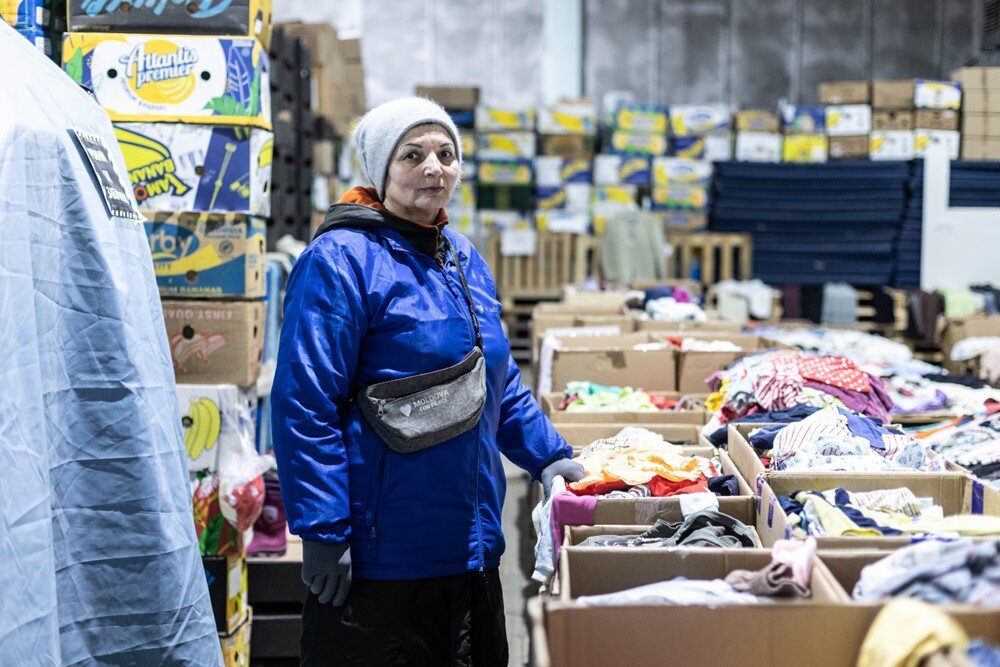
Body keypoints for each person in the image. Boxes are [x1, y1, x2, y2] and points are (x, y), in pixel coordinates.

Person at [271, 96, 584, 666]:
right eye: (412, 155)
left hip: (471, 546)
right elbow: (305, 401)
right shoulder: (341, 260)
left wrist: (549, 456)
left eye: (446, 154)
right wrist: (321, 528)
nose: (433, 168)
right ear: (381, 169)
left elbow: (498, 381)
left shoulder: (462, 257)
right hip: (380, 556)